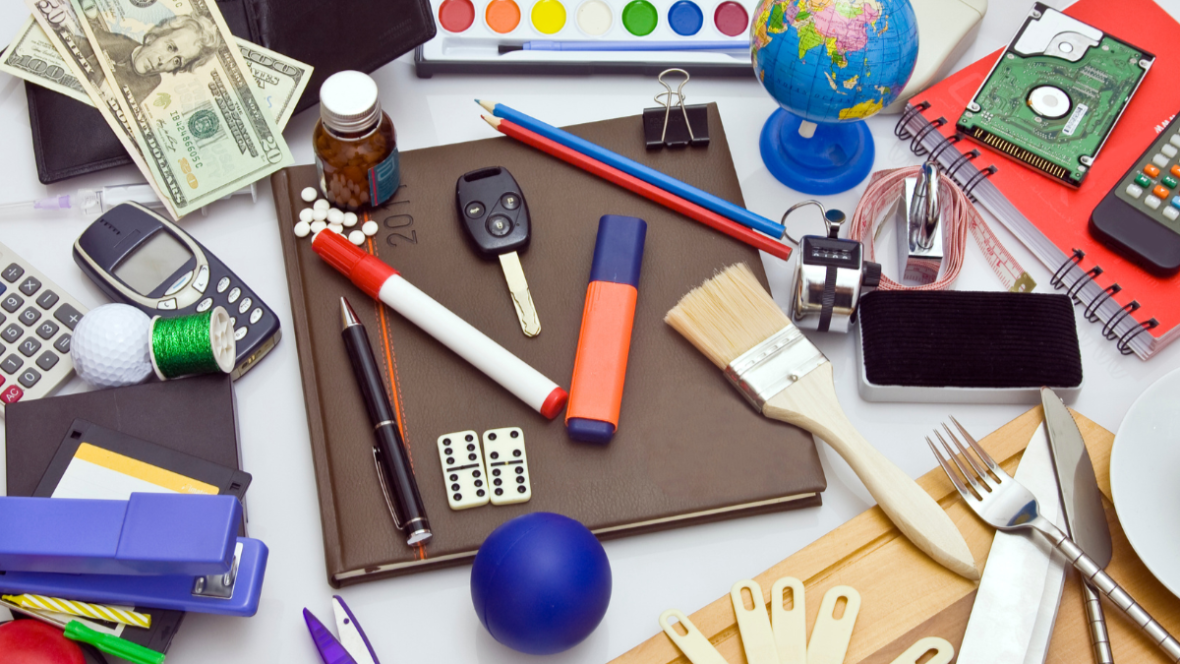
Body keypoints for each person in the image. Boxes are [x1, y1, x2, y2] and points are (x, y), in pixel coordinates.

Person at [88, 15, 223, 104]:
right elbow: (84, 42)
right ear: (153, 37)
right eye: (170, 47)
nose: (163, 61)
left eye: (177, 61)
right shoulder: (121, 43)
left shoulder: (152, 82)